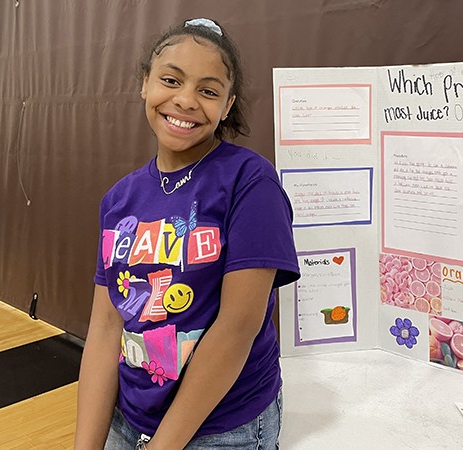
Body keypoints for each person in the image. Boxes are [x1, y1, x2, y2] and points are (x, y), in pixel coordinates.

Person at [74, 18, 300, 450]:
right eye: (171, 80)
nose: (185, 100)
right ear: (145, 84)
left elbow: (238, 328)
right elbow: (105, 327)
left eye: (208, 90)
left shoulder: (250, 182)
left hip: (221, 428)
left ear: (228, 104)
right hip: (129, 418)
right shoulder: (119, 200)